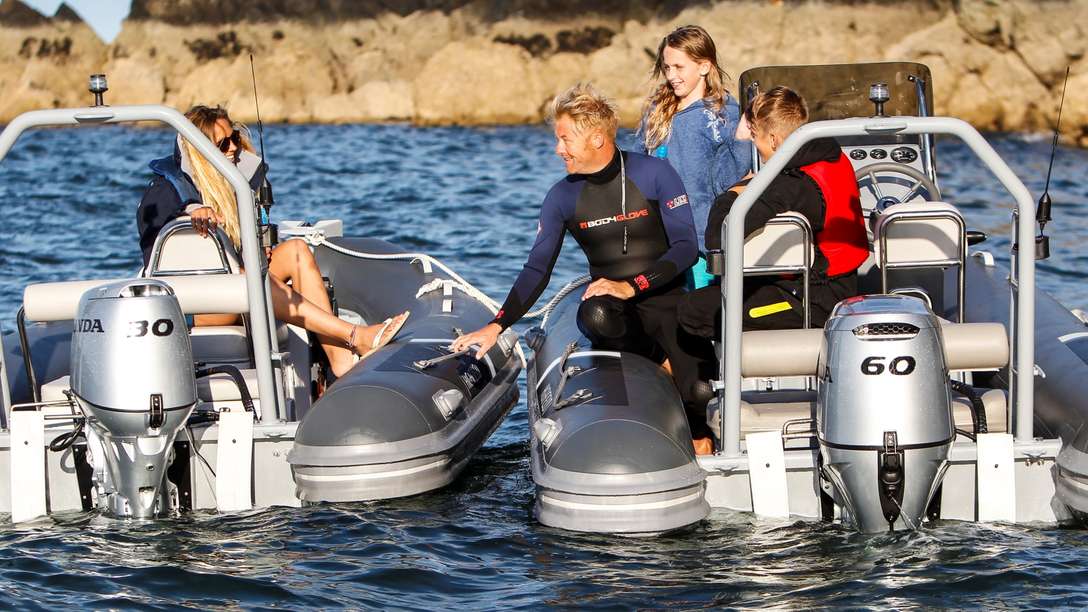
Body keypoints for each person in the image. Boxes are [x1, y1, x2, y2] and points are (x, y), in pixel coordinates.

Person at [451, 83, 717, 451]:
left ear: (595, 138)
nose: (558, 149)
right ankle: (655, 369)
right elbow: (536, 269)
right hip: (617, 313)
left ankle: (695, 420)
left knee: (703, 391)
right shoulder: (563, 196)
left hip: (665, 299)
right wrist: (498, 324)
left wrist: (633, 285)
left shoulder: (654, 174)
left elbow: (686, 247)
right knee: (593, 314)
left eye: (564, 140)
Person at [136, 105, 407, 377]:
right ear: (201, 151)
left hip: (234, 286)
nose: (233, 149)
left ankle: (341, 361)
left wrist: (261, 245)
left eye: (235, 139)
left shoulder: (237, 185)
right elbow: (154, 220)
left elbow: (257, 229)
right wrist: (192, 210)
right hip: (197, 306)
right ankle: (355, 335)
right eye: (222, 144)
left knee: (297, 252)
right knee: (251, 277)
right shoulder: (165, 190)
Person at [677, 86, 868, 336]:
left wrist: (733, 193)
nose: (755, 145)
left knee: (693, 309)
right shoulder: (832, 156)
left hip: (812, 302)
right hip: (839, 283)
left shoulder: (790, 185)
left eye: (755, 136)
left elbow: (719, 235)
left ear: (774, 140)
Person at [639, 25, 751, 289]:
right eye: (667, 67)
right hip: (658, 237)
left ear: (704, 66)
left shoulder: (722, 115)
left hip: (702, 240)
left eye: (679, 67)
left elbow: (730, 179)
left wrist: (741, 141)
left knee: (697, 306)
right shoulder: (658, 110)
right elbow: (640, 165)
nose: (671, 76)